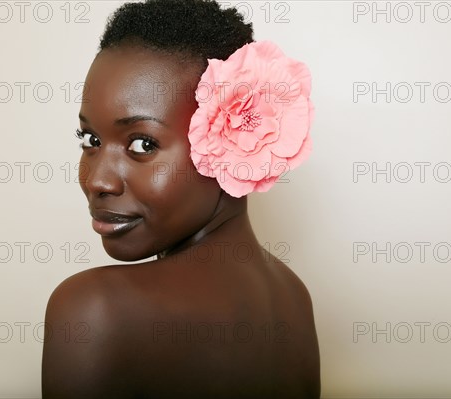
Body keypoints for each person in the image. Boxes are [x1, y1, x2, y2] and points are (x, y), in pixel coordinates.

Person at [41, 0, 320, 397]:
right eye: (91, 140)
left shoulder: (96, 309)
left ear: (233, 143)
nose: (97, 180)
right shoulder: (295, 299)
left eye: (142, 143)